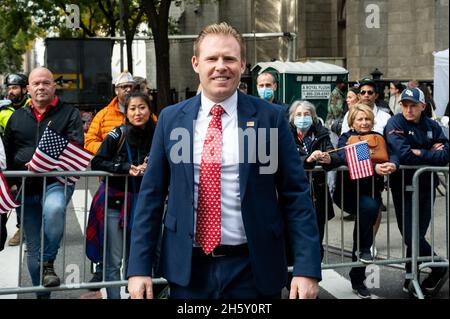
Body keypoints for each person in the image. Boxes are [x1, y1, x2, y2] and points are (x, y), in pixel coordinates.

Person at [127, 22, 321, 299]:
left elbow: (296, 195)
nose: (221, 66)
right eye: (212, 58)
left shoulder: (271, 118)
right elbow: (151, 197)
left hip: (253, 270)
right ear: (196, 63)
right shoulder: (171, 119)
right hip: (188, 270)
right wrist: (138, 268)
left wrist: (307, 267)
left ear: (242, 64)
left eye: (229, 58)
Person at [2, 67, 84, 299]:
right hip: (26, 188)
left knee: (54, 208)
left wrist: (44, 162)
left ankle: (49, 260)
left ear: (53, 86)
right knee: (33, 250)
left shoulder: (69, 113)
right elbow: (8, 153)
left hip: (57, 180)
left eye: (46, 82)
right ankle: (42, 294)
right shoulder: (16, 117)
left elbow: (76, 144)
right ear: (28, 89)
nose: (41, 87)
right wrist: (13, 182)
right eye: (36, 83)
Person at [90, 91, 156, 299]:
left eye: (142, 107)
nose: (138, 113)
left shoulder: (158, 132)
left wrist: (151, 165)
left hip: (145, 203)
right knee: (113, 260)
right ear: (125, 112)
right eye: (132, 108)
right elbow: (98, 161)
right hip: (115, 203)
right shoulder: (117, 133)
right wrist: (126, 168)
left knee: (135, 257)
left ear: (149, 109)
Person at [385, 87, 449, 296]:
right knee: (410, 235)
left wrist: (420, 152)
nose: (409, 109)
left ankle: (410, 278)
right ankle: (439, 266)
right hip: (403, 185)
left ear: (423, 106)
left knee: (418, 233)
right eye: (405, 105)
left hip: (426, 184)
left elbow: (445, 156)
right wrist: (429, 152)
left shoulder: (432, 125)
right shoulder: (395, 123)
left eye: (413, 105)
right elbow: (402, 155)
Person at [333, 103, 397, 299]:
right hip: (349, 192)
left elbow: (392, 151)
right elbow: (346, 156)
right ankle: (362, 253)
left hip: (371, 191)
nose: (364, 122)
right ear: (352, 121)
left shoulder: (379, 137)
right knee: (369, 209)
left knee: (365, 225)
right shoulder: (347, 137)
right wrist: (374, 166)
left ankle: (358, 276)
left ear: (373, 121)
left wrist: (392, 163)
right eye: (360, 119)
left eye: (367, 119)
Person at [289, 100, 337, 259]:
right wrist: (307, 159)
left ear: (313, 117)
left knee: (316, 238)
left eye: (306, 114)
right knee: (294, 239)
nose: (302, 117)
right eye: (299, 114)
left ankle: (314, 271)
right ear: (292, 118)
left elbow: (334, 153)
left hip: (318, 194)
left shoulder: (322, 133)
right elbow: (285, 158)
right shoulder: (286, 134)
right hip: (294, 193)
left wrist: (328, 158)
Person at [2, 73, 29, 247]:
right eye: (9, 88)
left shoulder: (32, 107)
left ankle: (31, 227)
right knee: (16, 194)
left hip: (31, 159)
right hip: (10, 160)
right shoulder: (3, 112)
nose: (11, 91)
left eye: (15, 88)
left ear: (24, 89)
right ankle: (22, 227)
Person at [84, 71, 135, 154]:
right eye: (124, 86)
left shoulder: (145, 114)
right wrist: (108, 149)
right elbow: (89, 142)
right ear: (116, 90)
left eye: (131, 86)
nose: (128, 89)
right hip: (113, 165)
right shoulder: (103, 115)